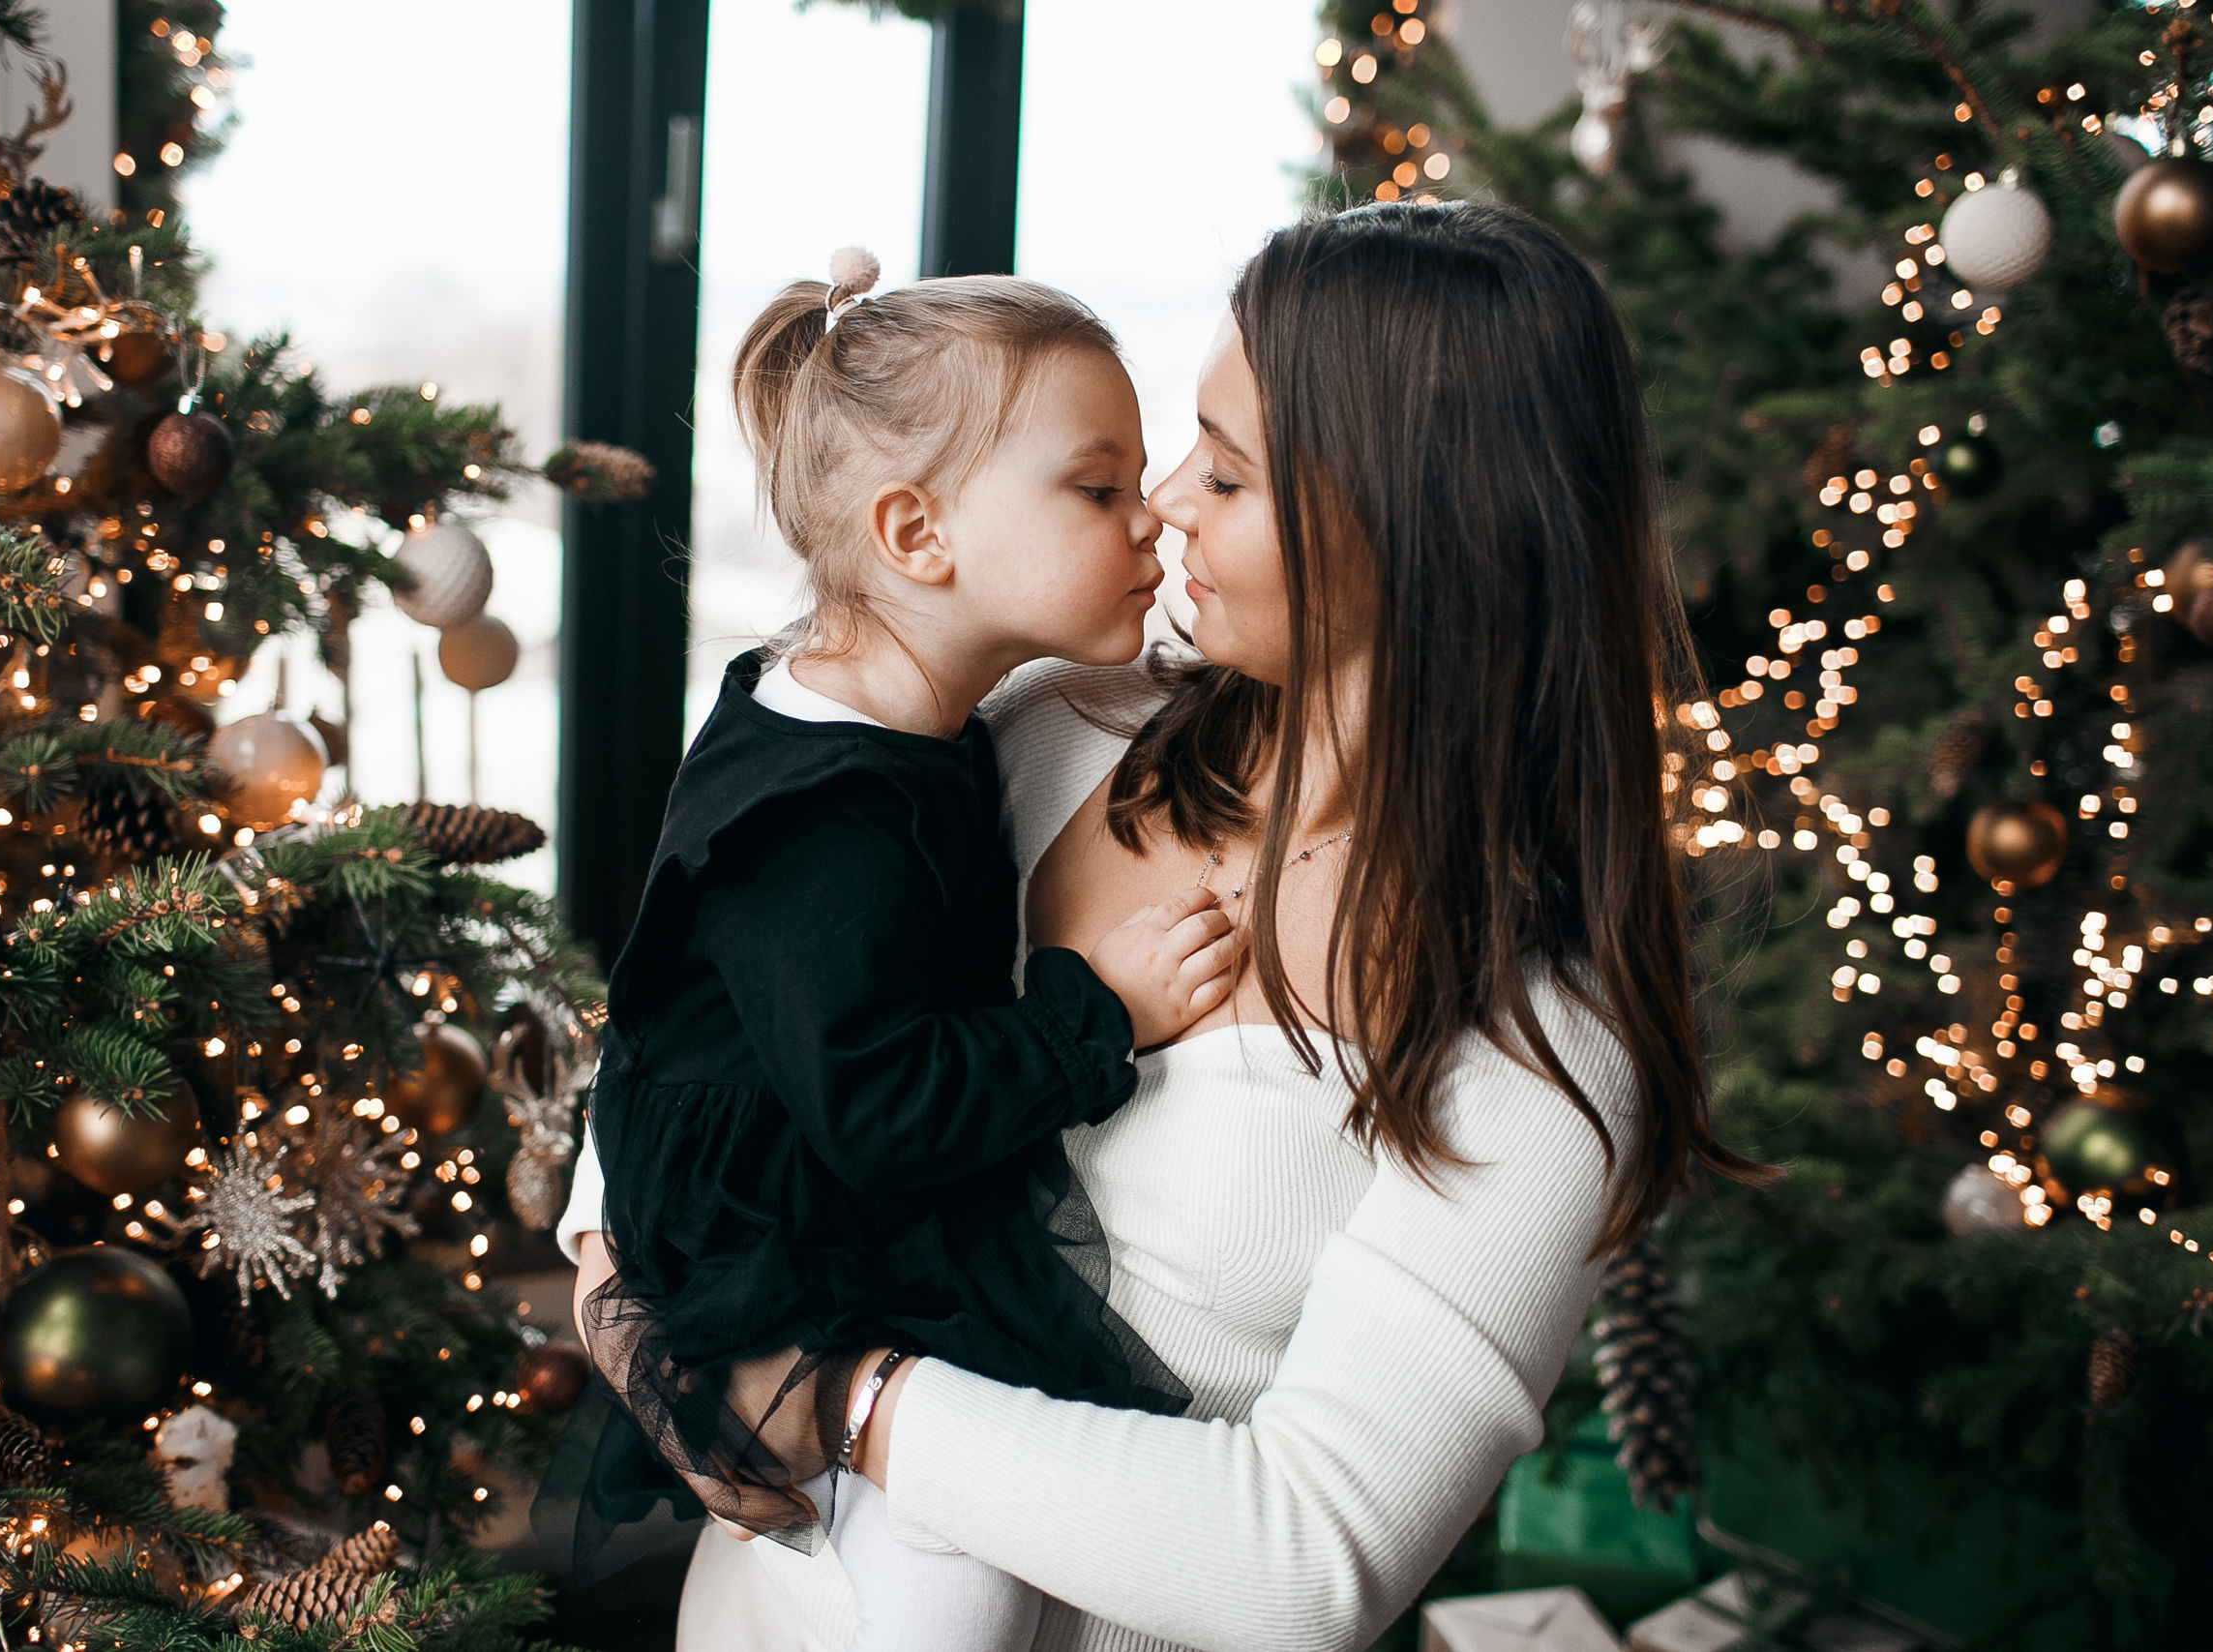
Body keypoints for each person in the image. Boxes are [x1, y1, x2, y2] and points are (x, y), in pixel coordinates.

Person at [561, 200, 1769, 1651]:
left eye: (1231, 472)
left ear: (1422, 524)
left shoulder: (1539, 1040)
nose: (1170, 505)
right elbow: (727, 1011)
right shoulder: (1040, 731)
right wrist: (621, 1295)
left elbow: (1306, 1566)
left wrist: (838, 1400)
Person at [568, 250, 1240, 1652]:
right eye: (1099, 489)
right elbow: (875, 1104)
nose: (1154, 523)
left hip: (815, 1173)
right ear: (919, 536)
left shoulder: (875, 700)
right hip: (782, 1235)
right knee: (964, 1592)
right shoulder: (828, 821)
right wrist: (1093, 1009)